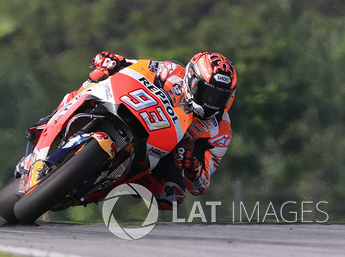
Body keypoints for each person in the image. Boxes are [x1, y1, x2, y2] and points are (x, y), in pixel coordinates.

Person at [27, 50, 237, 210]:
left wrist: (193, 168)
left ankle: (106, 186)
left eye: (219, 97)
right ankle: (55, 118)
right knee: (99, 75)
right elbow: (134, 66)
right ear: (191, 79)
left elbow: (201, 185)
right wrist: (113, 61)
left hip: (163, 149)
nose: (211, 102)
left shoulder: (220, 130)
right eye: (206, 93)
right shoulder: (170, 71)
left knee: (172, 195)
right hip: (135, 109)